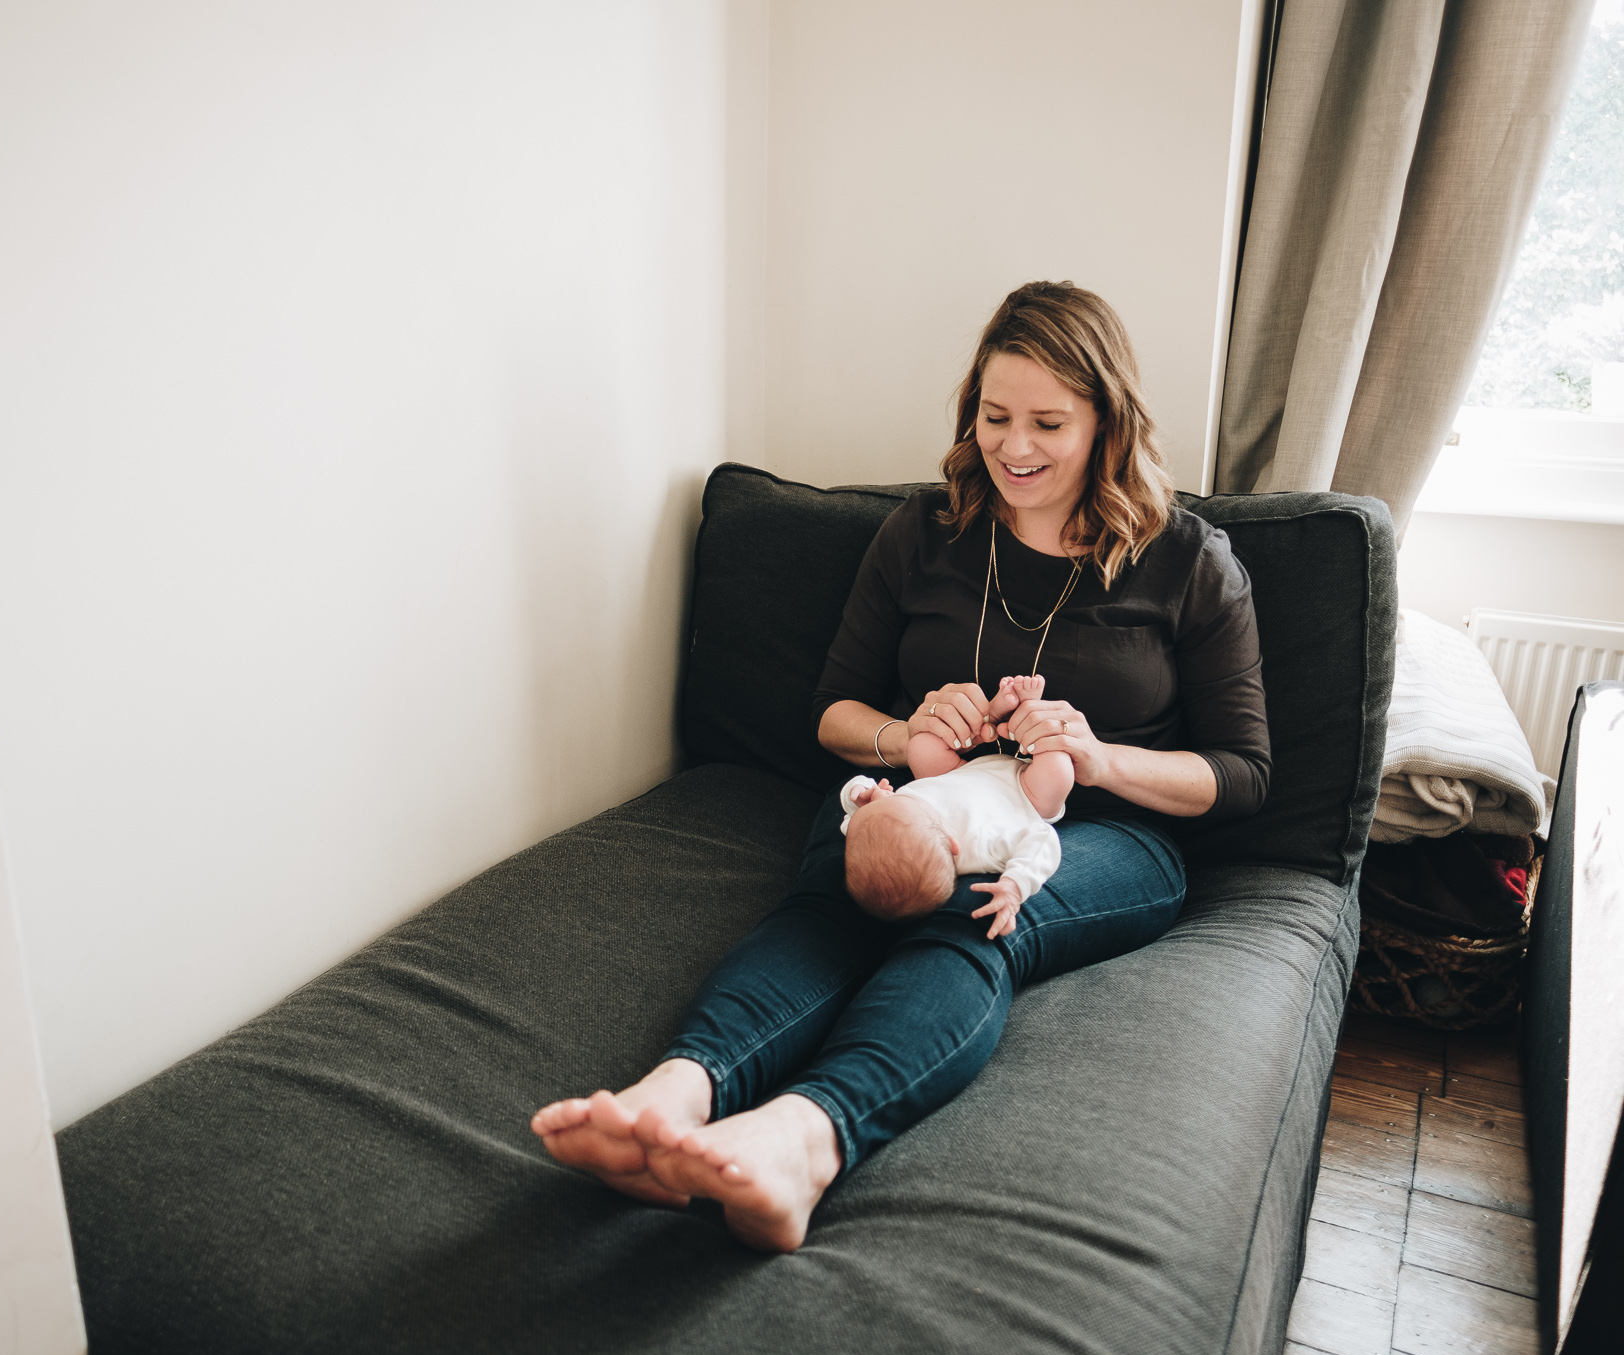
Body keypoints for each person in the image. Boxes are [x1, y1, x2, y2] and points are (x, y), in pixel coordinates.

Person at [532, 280, 1270, 1253]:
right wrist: (903, 731)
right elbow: (831, 714)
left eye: (1047, 422)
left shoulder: (1184, 562)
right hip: (927, 795)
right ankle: (673, 1097)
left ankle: (805, 1140)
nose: (1013, 447)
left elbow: (1242, 773)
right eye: (993, 416)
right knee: (838, 891)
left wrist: (1097, 759)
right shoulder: (923, 536)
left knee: (971, 915)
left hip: (1106, 831)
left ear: (1105, 422)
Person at [840, 673, 1070, 930]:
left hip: (956, 772)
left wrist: (858, 793)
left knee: (921, 746)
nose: (886, 792)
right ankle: (1029, 715)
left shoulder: (868, 833)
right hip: (1026, 792)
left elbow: (851, 813)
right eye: (896, 799)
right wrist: (1015, 885)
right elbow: (1041, 839)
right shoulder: (980, 848)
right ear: (953, 844)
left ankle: (990, 716)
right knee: (1058, 771)